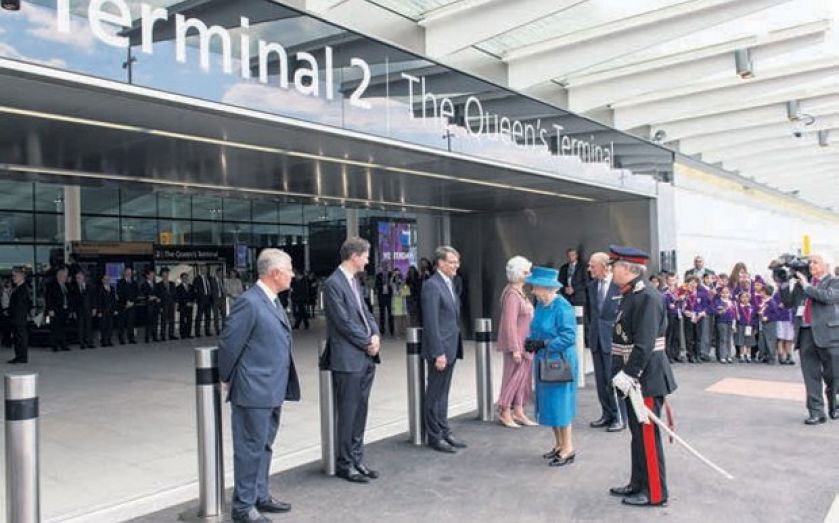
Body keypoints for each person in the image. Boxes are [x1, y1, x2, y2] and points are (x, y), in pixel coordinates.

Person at [218, 248, 299, 522]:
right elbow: (230, 344)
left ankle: (259, 496)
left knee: (264, 445)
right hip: (253, 389)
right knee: (250, 448)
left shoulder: (273, 301)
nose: (293, 274)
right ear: (275, 273)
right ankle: (243, 507)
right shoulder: (250, 302)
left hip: (272, 388)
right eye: (289, 269)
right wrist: (225, 377)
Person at [609, 245, 677, 507]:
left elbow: (645, 343)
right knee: (637, 434)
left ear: (628, 269)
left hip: (645, 378)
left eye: (615, 266)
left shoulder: (648, 297)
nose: (612, 270)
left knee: (647, 435)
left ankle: (655, 493)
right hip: (633, 378)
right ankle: (638, 483)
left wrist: (629, 374)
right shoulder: (630, 294)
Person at [322, 237, 381, 483]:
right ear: (354, 256)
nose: (368, 260)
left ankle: (357, 458)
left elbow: (365, 312)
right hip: (348, 359)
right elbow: (343, 321)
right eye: (366, 256)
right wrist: (367, 342)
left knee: (360, 411)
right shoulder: (333, 284)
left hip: (364, 358)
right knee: (347, 413)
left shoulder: (354, 282)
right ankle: (345, 463)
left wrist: (376, 333)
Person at [524, 266, 577, 467]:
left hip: (559, 361)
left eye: (536, 287)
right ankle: (558, 444)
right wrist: (531, 341)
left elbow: (569, 336)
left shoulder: (561, 306)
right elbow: (537, 328)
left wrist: (545, 344)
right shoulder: (541, 305)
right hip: (544, 361)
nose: (533, 290)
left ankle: (568, 448)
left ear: (547, 288)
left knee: (560, 404)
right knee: (549, 404)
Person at [779, 255, 839, 424]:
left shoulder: (833, 282)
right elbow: (788, 302)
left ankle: (835, 403)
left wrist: (805, 285)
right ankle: (816, 411)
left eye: (815, 262)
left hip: (829, 335)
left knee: (834, 375)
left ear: (825, 266)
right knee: (810, 374)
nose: (811, 265)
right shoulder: (802, 284)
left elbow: (826, 297)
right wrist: (783, 283)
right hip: (806, 333)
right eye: (809, 263)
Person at [421, 246, 466, 454]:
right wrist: (438, 352)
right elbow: (431, 322)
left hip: (451, 347)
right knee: (434, 394)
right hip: (440, 350)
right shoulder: (432, 285)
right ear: (440, 263)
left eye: (457, 262)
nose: (455, 265)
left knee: (444, 393)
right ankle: (434, 435)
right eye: (451, 262)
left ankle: (444, 429)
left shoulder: (451, 283)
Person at [495, 255, 536, 429]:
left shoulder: (520, 292)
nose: (529, 274)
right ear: (518, 274)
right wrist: (514, 348)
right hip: (517, 344)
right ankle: (505, 410)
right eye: (526, 272)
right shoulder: (512, 294)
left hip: (525, 343)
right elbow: (509, 324)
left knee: (523, 379)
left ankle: (518, 410)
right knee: (511, 378)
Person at [585, 252, 624, 432]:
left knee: (613, 380)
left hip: (612, 340)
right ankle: (606, 414)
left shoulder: (619, 286)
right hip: (596, 339)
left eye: (593, 266)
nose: (590, 269)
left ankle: (619, 417)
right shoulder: (591, 286)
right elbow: (590, 313)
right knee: (601, 381)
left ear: (604, 266)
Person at [681, 276, 707, 363]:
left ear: (697, 284)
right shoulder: (684, 294)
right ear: (687, 284)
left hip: (698, 317)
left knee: (698, 336)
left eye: (695, 282)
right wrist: (685, 311)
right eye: (690, 282)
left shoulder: (701, 294)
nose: (693, 284)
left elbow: (705, 306)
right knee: (689, 336)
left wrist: (701, 313)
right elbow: (680, 305)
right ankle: (690, 355)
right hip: (688, 317)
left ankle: (698, 354)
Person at [7, 269, 31, 364]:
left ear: (21, 276)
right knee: (18, 337)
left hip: (19, 317)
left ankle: (21, 356)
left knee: (20, 337)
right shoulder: (19, 288)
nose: (13, 278)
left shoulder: (22, 289)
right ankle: (20, 356)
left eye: (15, 276)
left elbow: (20, 304)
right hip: (17, 317)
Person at [45, 267, 71, 352]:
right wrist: (50, 309)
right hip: (55, 310)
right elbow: (48, 298)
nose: (65, 278)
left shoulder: (66, 285)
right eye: (64, 276)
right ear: (59, 276)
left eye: (66, 276)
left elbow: (68, 297)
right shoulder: (51, 285)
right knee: (54, 328)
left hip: (64, 310)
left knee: (63, 328)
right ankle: (54, 345)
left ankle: (63, 344)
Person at [70, 271, 95, 349]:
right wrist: (73, 311)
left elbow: (93, 299)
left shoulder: (89, 287)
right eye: (77, 278)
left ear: (83, 278)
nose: (78, 279)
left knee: (89, 326)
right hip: (79, 310)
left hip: (88, 309)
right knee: (80, 327)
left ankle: (89, 342)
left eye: (79, 278)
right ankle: (82, 343)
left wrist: (94, 308)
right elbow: (72, 301)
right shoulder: (74, 288)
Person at [757, 284, 780, 364]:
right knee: (763, 340)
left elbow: (776, 314)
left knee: (770, 340)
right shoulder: (763, 302)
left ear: (765, 292)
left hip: (770, 323)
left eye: (761, 292)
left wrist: (768, 317)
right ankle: (764, 356)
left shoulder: (771, 302)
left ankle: (771, 357)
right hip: (763, 323)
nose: (760, 294)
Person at [714, 286, 736, 364]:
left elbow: (734, 314)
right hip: (721, 322)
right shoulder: (718, 301)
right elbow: (716, 312)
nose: (725, 294)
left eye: (726, 292)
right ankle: (722, 356)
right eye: (723, 292)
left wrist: (734, 324)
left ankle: (729, 356)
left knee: (729, 339)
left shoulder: (732, 302)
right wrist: (721, 311)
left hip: (730, 322)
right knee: (722, 339)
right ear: (720, 293)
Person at [116, 267, 138, 344]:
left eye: (130, 272)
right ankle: (121, 339)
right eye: (127, 272)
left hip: (132, 305)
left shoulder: (134, 283)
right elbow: (119, 293)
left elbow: (136, 294)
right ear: (124, 273)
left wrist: (132, 302)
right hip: (123, 306)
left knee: (130, 323)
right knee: (121, 323)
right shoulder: (120, 282)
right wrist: (126, 302)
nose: (129, 273)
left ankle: (131, 338)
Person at [155, 267, 177, 341]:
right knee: (163, 321)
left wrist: (175, 304)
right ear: (161, 275)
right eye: (164, 274)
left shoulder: (172, 283)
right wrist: (160, 307)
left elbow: (174, 294)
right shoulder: (158, 285)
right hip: (163, 305)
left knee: (171, 320)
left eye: (167, 274)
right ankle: (163, 335)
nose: (166, 275)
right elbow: (157, 296)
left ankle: (171, 335)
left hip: (171, 304)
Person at [734, 291, 755, 363]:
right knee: (741, 341)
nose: (745, 299)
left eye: (746, 297)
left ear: (749, 298)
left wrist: (754, 327)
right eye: (742, 297)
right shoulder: (738, 307)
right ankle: (741, 355)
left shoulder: (752, 307)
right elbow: (735, 318)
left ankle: (748, 356)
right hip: (741, 325)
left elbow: (754, 318)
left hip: (749, 327)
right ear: (739, 298)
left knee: (749, 342)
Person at [96, 273, 116, 347]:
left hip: (110, 310)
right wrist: (99, 311)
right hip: (103, 310)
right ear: (102, 280)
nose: (107, 280)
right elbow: (98, 301)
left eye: (108, 279)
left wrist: (114, 309)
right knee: (103, 326)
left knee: (110, 326)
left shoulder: (112, 288)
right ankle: (104, 341)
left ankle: (109, 340)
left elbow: (114, 300)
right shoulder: (100, 289)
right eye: (105, 279)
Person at [140, 268, 160, 343]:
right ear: (147, 276)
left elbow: (158, 293)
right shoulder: (143, 284)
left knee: (155, 321)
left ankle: (154, 336)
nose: (153, 276)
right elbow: (143, 294)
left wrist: (157, 298)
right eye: (151, 275)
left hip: (156, 305)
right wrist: (148, 297)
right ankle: (147, 337)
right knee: (148, 322)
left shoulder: (156, 284)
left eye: (153, 275)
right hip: (148, 306)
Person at [194, 266, 214, 337]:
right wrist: (197, 299)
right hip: (201, 300)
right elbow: (195, 290)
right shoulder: (197, 279)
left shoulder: (209, 278)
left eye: (205, 270)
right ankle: (197, 332)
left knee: (208, 316)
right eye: (203, 270)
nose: (204, 271)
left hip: (209, 299)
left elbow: (212, 288)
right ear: (200, 270)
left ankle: (207, 331)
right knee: (199, 316)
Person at [374, 267, 393, 336]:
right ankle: (382, 330)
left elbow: (394, 283)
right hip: (381, 296)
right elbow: (376, 285)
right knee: (382, 313)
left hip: (389, 296)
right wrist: (382, 283)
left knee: (390, 313)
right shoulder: (379, 275)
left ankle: (392, 330)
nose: (385, 266)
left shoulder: (391, 274)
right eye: (383, 264)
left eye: (386, 264)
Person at [390, 270, 409, 338]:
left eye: (399, 276)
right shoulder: (393, 285)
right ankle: (397, 333)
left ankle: (403, 332)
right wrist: (393, 275)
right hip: (396, 302)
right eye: (396, 277)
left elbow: (406, 292)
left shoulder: (403, 285)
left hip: (402, 302)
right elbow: (390, 282)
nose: (398, 278)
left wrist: (403, 280)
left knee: (404, 318)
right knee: (396, 319)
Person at [176, 273, 195, 339]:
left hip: (190, 306)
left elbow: (193, 295)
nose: (185, 279)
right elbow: (178, 298)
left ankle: (188, 334)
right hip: (183, 306)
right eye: (184, 278)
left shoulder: (191, 286)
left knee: (189, 320)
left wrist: (192, 302)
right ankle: (183, 334)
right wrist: (186, 303)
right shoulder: (178, 288)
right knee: (182, 321)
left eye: (186, 277)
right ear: (181, 279)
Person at [213, 268, 227, 333]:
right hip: (215, 299)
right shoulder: (212, 280)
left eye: (222, 273)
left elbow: (224, 289)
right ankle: (217, 329)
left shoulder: (223, 280)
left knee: (224, 314)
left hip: (222, 299)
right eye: (220, 273)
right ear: (217, 273)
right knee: (216, 315)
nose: (221, 274)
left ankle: (224, 328)